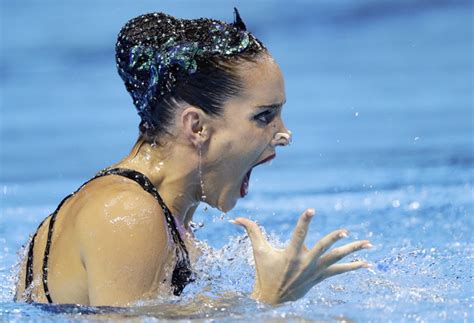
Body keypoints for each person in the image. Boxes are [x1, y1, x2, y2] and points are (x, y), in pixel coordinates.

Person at [14, 9, 372, 306]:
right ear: (197, 126)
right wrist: (268, 300)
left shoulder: (162, 216)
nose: (284, 134)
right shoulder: (126, 215)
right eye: (264, 116)